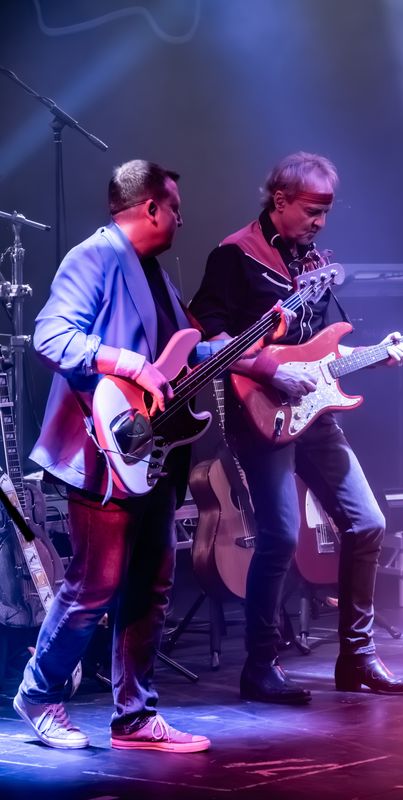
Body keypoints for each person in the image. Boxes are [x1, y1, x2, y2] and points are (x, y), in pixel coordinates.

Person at [189, 151, 403, 704]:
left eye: (327, 212)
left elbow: (323, 350)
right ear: (280, 200)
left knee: (366, 523)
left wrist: (376, 354)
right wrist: (270, 368)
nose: (320, 222)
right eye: (312, 210)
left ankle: (358, 659)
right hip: (260, 410)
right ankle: (261, 665)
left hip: (314, 411)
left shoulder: (311, 261)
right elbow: (209, 341)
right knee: (278, 535)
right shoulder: (234, 255)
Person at [13, 160, 212, 752]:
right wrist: (126, 364)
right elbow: (51, 335)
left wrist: (267, 350)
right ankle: (38, 693)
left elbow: (186, 349)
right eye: (174, 206)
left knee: (151, 585)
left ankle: (135, 717)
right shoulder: (95, 256)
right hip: (102, 451)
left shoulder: (157, 276)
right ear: (149, 205)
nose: (181, 217)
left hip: (151, 453)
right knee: (93, 584)